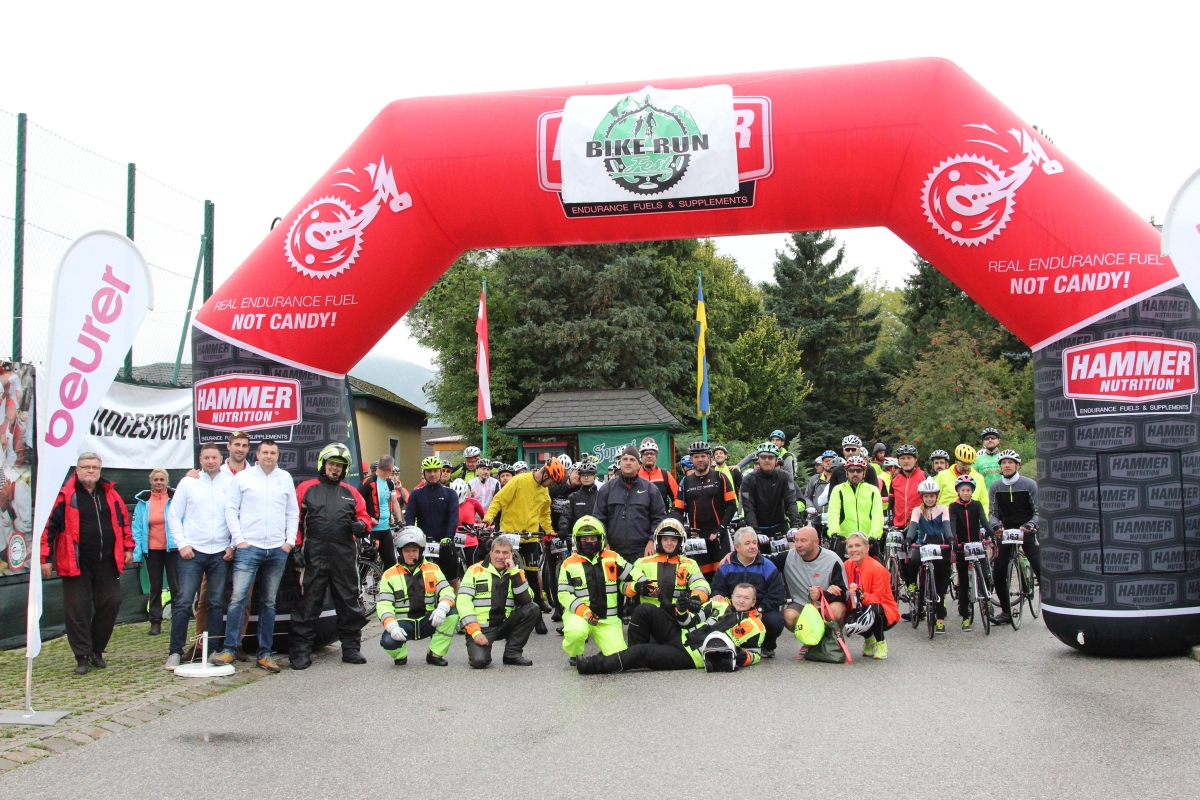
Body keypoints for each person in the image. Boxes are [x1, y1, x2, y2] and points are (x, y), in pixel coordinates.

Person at [42, 453, 134, 675]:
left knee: (112, 602)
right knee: (77, 610)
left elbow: (123, 522)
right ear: (77, 470)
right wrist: (45, 558)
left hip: (107, 562)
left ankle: (97, 650)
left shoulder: (111, 494)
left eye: (95, 467)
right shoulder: (65, 496)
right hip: (75, 562)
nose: (91, 471)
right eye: (86, 467)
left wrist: (128, 547)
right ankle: (82, 656)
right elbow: (48, 527)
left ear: (100, 470)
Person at [212, 440, 299, 673]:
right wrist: (239, 540)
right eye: (265, 452)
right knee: (238, 599)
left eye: (273, 452)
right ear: (257, 455)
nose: (269, 456)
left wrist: (289, 541)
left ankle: (265, 653)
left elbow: (292, 512)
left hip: (277, 549)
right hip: (248, 548)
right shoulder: (244, 478)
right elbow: (231, 509)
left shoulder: (285, 478)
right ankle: (230, 649)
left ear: (278, 455)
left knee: (269, 603)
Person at [290, 443, 373, 669]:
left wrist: (361, 525)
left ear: (344, 470)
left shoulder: (351, 492)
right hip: (312, 556)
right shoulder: (306, 488)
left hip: (343, 556)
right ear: (323, 464)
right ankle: (300, 652)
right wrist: (296, 547)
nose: (335, 468)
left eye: (339, 466)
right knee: (307, 605)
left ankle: (351, 649)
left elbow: (365, 517)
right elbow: (294, 521)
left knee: (349, 603)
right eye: (332, 464)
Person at [576, 583, 766, 674]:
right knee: (644, 609)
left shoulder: (756, 626)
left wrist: (742, 656)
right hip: (681, 635)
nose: (741, 601)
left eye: (746, 598)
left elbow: (755, 654)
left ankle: (592, 665)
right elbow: (688, 622)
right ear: (732, 596)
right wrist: (682, 611)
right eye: (738, 596)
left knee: (642, 652)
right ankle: (631, 659)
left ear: (753, 601)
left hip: (691, 655)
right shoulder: (718, 604)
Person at [165, 443, 234, 670]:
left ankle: (212, 650)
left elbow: (237, 514)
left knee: (215, 603)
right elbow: (174, 515)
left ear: (221, 459)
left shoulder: (231, 482)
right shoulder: (188, 483)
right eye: (206, 458)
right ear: (200, 460)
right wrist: (182, 544)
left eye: (214, 457)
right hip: (192, 553)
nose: (211, 461)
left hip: (220, 554)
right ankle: (175, 652)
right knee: (184, 602)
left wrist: (232, 545)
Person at [185, 430, 252, 662]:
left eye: (244, 445)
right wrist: (192, 476)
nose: (240, 449)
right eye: (236, 444)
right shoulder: (211, 472)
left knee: (242, 597)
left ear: (248, 449)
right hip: (216, 545)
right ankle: (201, 644)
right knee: (206, 598)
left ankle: (236, 643)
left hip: (244, 544)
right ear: (229, 447)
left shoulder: (254, 474)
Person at [483, 458, 560, 630]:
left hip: (530, 538)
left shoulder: (544, 492)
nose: (552, 485)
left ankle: (537, 617)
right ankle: (503, 615)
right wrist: (488, 518)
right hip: (510, 537)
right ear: (545, 474)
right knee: (507, 577)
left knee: (532, 577)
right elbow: (499, 500)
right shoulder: (519, 480)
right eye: (552, 481)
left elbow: (544, 514)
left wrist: (549, 530)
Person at [557, 515, 634, 665]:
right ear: (577, 540)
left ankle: (604, 651)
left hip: (607, 619)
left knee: (617, 658)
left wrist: (641, 585)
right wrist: (585, 612)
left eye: (593, 538)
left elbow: (632, 574)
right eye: (584, 539)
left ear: (601, 539)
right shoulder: (568, 563)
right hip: (579, 615)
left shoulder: (613, 557)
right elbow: (564, 595)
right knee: (576, 632)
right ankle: (575, 654)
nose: (589, 542)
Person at [377, 527, 457, 666]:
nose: (411, 554)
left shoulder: (433, 569)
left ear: (421, 551)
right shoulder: (389, 574)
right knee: (388, 642)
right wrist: (391, 626)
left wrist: (442, 607)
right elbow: (384, 604)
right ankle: (400, 655)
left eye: (414, 550)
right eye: (407, 551)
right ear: (400, 552)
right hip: (402, 624)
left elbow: (447, 590)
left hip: (427, 620)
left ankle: (435, 654)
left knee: (452, 614)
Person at [457, 534, 538, 667]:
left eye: (505, 553)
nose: (500, 556)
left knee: (533, 608)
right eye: (497, 552)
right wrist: (475, 632)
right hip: (481, 628)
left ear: (511, 555)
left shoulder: (516, 572)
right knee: (479, 662)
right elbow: (463, 602)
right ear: (490, 553)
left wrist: (514, 572)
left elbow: (527, 600)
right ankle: (480, 647)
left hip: (505, 624)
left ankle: (512, 654)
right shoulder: (474, 570)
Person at [710, 526, 786, 657]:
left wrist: (761, 609)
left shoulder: (767, 565)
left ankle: (767, 646)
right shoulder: (726, 565)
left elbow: (777, 593)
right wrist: (718, 595)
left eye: (755, 543)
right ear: (737, 547)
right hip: (733, 608)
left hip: (760, 609)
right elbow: (717, 587)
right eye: (747, 543)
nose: (753, 547)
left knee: (775, 620)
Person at [988, 449, 1040, 626]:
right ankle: (1006, 612)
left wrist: (1031, 525)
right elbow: (993, 513)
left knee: (1039, 565)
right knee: (999, 571)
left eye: (1010, 462)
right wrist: (996, 525)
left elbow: (1038, 511)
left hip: (1026, 529)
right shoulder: (995, 487)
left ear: (1017, 465)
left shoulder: (1029, 484)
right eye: (1003, 463)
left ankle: (1051, 607)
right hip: (1007, 530)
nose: (1007, 465)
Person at [592, 446, 667, 567]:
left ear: (639, 465)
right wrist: (603, 541)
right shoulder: (607, 489)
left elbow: (659, 518)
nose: (628, 462)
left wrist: (652, 540)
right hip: (613, 551)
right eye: (625, 459)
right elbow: (598, 518)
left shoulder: (650, 489)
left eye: (632, 460)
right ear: (620, 463)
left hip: (642, 551)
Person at [781, 526, 847, 655]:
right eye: (796, 540)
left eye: (803, 541)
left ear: (816, 542)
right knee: (788, 616)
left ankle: (831, 640)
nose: (798, 545)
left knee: (837, 611)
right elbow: (763, 560)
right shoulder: (788, 556)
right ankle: (810, 641)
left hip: (826, 604)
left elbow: (843, 594)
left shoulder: (832, 560)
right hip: (802, 604)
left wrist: (822, 594)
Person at [674, 441, 737, 575]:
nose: (700, 460)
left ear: (709, 458)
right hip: (697, 538)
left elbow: (732, 506)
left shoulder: (720, 477)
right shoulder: (685, 482)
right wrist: (684, 530)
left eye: (703, 456)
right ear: (691, 459)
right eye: (696, 457)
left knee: (724, 576)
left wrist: (721, 528)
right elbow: (678, 510)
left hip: (719, 535)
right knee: (702, 578)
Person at [627, 518, 710, 613]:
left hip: (677, 615)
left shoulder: (689, 564)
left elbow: (701, 584)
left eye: (673, 539)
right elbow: (624, 586)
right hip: (648, 616)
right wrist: (635, 587)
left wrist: (696, 597)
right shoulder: (642, 563)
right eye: (665, 539)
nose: (669, 543)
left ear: (680, 542)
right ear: (659, 540)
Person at [131, 468, 178, 637]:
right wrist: (137, 554)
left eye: (162, 479)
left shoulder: (175, 499)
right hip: (151, 551)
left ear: (167, 481)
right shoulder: (143, 503)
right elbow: (136, 530)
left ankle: (178, 620)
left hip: (173, 549)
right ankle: (155, 622)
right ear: (151, 482)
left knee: (176, 586)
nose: (159, 482)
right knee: (155, 586)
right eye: (156, 479)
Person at [903, 478, 953, 633]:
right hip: (923, 544)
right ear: (922, 497)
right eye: (926, 496)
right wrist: (908, 539)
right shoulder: (917, 510)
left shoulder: (943, 509)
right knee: (913, 560)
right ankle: (912, 584)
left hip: (940, 546)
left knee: (940, 585)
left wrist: (951, 539)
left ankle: (940, 619)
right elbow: (913, 527)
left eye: (932, 496)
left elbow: (947, 526)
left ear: (936, 496)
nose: (929, 499)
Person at [406, 456, 461, 590]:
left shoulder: (450, 493)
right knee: (419, 579)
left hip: (444, 542)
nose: (432, 474)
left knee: (452, 580)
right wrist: (412, 538)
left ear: (441, 472)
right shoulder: (416, 494)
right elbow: (410, 518)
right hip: (423, 543)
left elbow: (453, 517)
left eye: (435, 471)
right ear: (424, 473)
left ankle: (456, 602)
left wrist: (449, 536)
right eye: (429, 471)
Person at [842, 532, 899, 659]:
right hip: (858, 607)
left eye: (858, 546)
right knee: (841, 611)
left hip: (884, 611)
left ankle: (880, 642)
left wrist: (863, 596)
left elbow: (879, 599)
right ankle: (869, 638)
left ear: (867, 548)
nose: (854, 550)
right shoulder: (846, 565)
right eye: (850, 546)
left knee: (874, 609)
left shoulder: (878, 569)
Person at [740, 442, 802, 544]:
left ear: (776, 460)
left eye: (770, 457)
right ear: (758, 459)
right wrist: (755, 531)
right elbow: (748, 508)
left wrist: (795, 525)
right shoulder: (748, 480)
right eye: (763, 457)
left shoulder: (785, 477)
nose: (767, 460)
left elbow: (791, 502)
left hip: (780, 526)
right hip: (758, 528)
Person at [948, 473, 988, 630]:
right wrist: (952, 539)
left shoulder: (977, 505)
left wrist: (991, 534)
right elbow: (952, 524)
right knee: (964, 583)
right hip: (962, 548)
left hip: (976, 546)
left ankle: (987, 602)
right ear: (958, 491)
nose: (966, 493)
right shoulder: (953, 506)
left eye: (968, 490)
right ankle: (965, 616)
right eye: (963, 490)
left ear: (972, 491)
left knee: (985, 576)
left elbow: (983, 520)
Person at [826, 455, 884, 557]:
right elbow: (833, 513)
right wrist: (835, 532)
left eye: (859, 470)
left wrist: (874, 535)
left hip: (867, 539)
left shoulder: (873, 490)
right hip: (844, 538)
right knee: (840, 565)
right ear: (847, 473)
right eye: (852, 470)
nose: (855, 473)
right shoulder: (838, 490)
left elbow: (877, 514)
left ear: (864, 473)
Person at [360, 455, 402, 571]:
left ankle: (384, 581)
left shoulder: (390, 483)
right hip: (372, 530)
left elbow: (394, 502)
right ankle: (362, 582)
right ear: (390, 468)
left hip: (386, 528)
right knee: (367, 563)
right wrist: (368, 518)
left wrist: (399, 520)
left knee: (391, 563)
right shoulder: (369, 481)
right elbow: (357, 501)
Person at [935, 444, 989, 516]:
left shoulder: (979, 478)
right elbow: (934, 498)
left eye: (969, 465)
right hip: (947, 518)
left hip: (971, 518)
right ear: (956, 461)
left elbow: (984, 502)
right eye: (963, 464)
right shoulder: (942, 475)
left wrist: (982, 519)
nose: (966, 468)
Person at [890, 445, 926, 534]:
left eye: (909, 458)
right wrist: (890, 522)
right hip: (898, 527)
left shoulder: (924, 477)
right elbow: (891, 503)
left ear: (915, 460)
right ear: (898, 461)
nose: (906, 461)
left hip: (919, 526)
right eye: (902, 458)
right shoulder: (895, 479)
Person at [638, 437, 678, 509]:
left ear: (656, 456)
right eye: (646, 453)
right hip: (640, 515)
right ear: (641, 457)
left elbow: (677, 497)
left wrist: (675, 512)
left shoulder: (665, 475)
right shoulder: (635, 475)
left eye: (652, 453)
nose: (649, 456)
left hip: (661, 515)